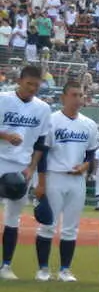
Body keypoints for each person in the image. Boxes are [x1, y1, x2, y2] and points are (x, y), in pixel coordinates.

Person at [35, 80, 99, 282]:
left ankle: (65, 269)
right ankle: (43, 269)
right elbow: (42, 154)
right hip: (55, 175)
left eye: (81, 95)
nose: (78, 99)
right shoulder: (52, 121)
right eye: (74, 95)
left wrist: (85, 166)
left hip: (77, 180)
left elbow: (91, 154)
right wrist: (41, 182)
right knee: (48, 225)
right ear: (63, 97)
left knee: (71, 227)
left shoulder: (89, 124)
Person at [0, 65, 52, 280]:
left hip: (21, 166)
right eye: (29, 83)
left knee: (13, 217)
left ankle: (6, 266)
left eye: (36, 85)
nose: (32, 88)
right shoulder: (3, 99)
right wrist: (5, 135)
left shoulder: (43, 108)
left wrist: (31, 168)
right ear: (19, 81)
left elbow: (41, 143)